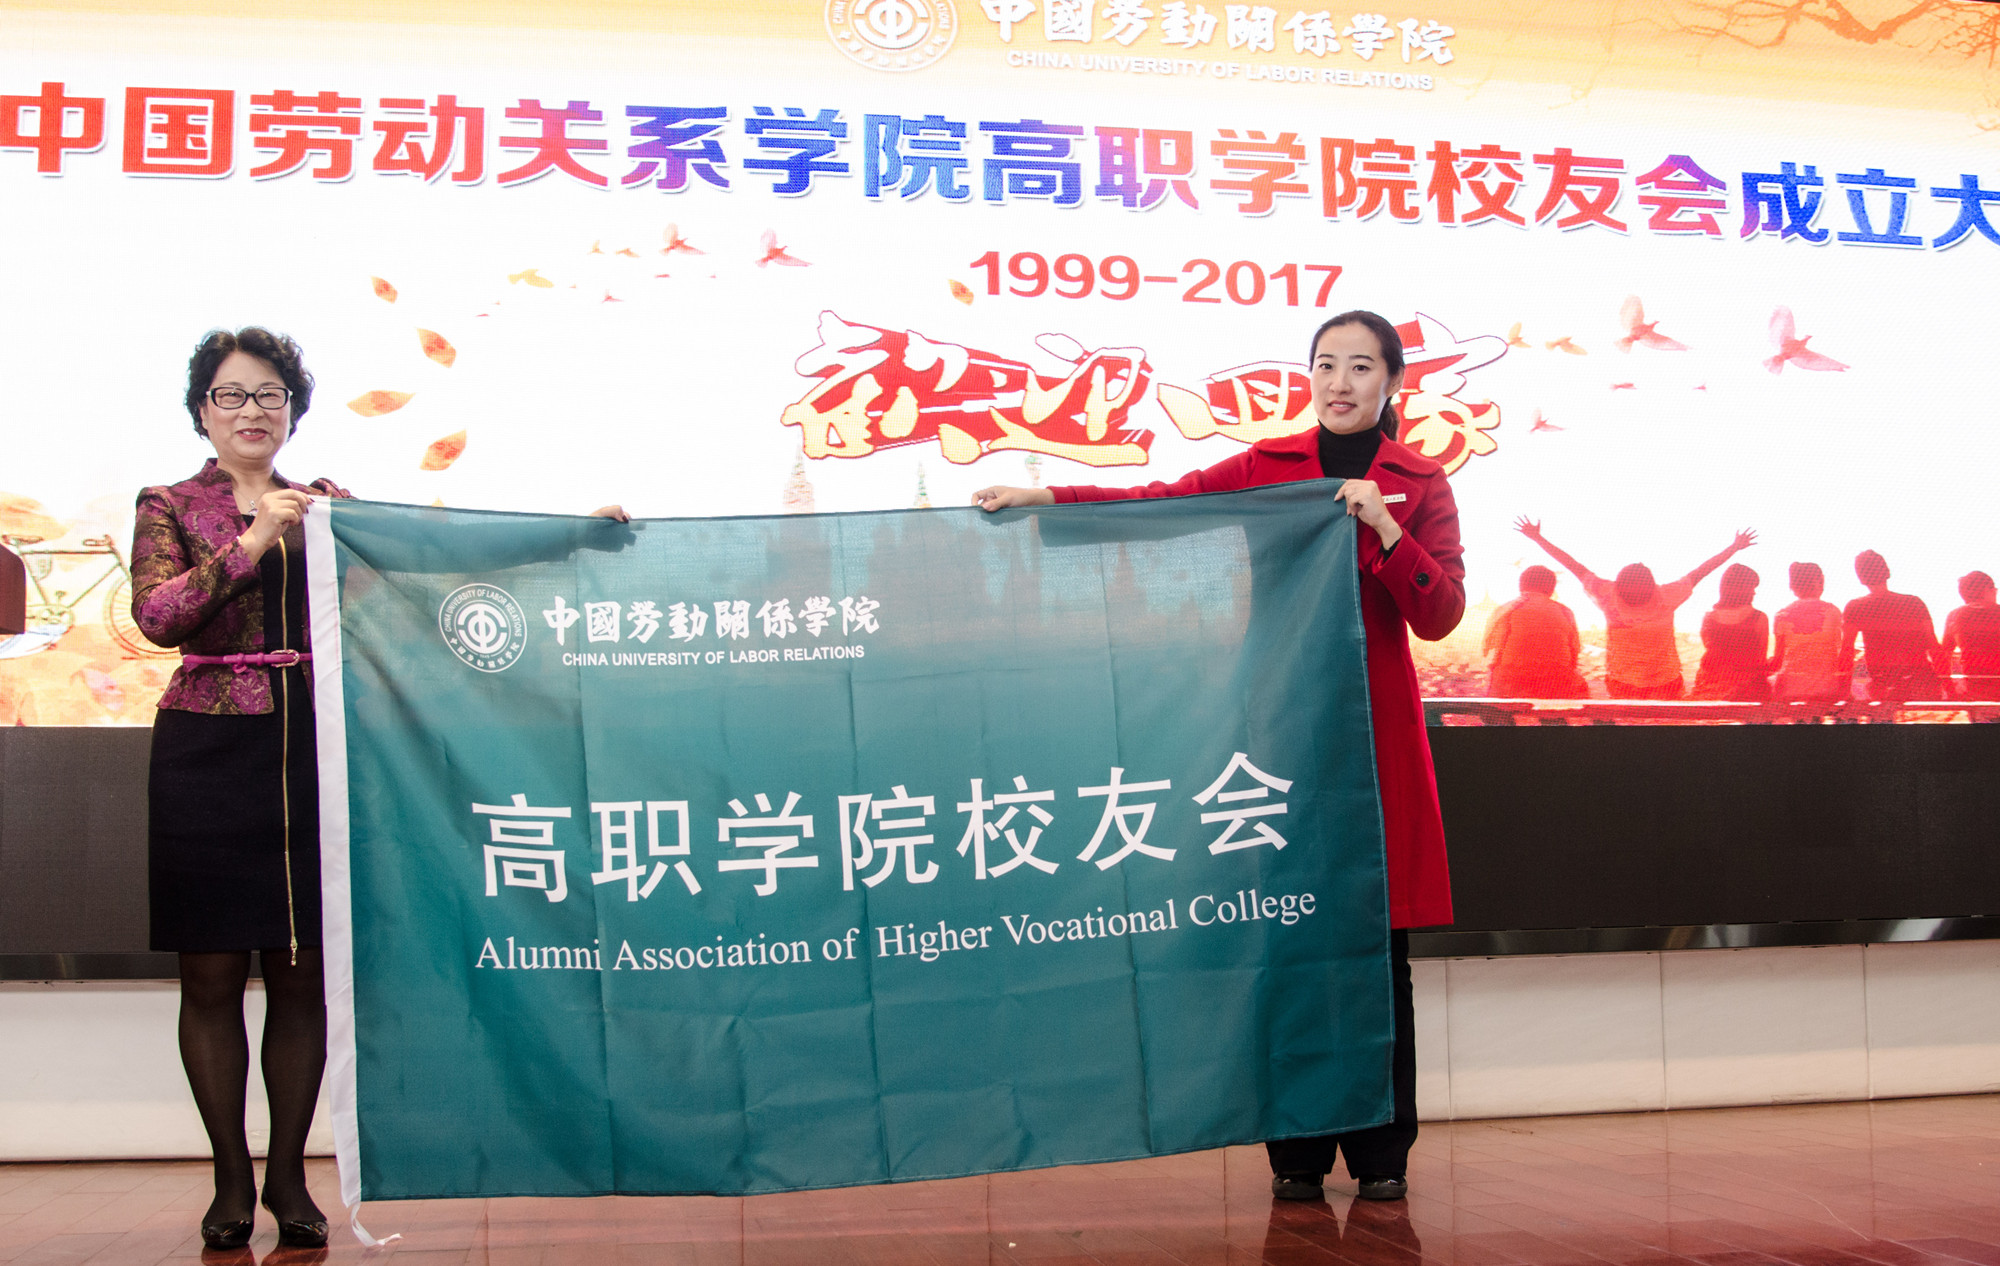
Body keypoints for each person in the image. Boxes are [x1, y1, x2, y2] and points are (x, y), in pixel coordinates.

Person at [134, 328, 623, 1250]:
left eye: (271, 394)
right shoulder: (168, 504)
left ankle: (287, 1177)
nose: (252, 411)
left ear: (293, 410)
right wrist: (255, 537)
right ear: (202, 410)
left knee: (302, 974)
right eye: (232, 395)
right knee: (211, 974)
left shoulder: (328, 505)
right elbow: (158, 616)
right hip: (207, 748)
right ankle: (230, 1180)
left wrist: (565, 534)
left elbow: (430, 549)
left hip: (316, 747)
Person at [974, 311, 1461, 1204]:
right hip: (1280, 727)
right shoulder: (1268, 466)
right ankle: (1296, 1151)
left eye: (1361, 367)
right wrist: (1048, 500)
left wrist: (1388, 531)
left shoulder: (1418, 482)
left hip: (1374, 737)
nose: (1340, 382)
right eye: (1326, 364)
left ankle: (1382, 1151)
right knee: (1288, 939)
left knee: (1376, 955)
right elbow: (1165, 503)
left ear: (1393, 383)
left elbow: (1441, 614)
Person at [1514, 519, 1756, 700]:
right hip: (1662, 681)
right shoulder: (1666, 596)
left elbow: (1572, 565)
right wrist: (1734, 547)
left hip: (1625, 682)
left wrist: (1538, 538)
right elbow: (1702, 571)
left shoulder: (1608, 595)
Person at [1838, 550, 1943, 703]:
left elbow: (1846, 651)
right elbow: (1934, 647)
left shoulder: (1856, 607)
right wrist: (1948, 686)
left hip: (1884, 684)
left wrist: (1844, 691)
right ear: (1887, 572)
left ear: (1860, 578)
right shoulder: (1914, 603)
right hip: (1922, 681)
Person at [1482, 565, 1585, 697]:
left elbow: (1489, 651)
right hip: (1556, 685)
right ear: (1551, 589)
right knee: (1570, 682)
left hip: (1513, 685)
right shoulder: (1565, 612)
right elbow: (1574, 654)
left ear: (1521, 586)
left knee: (1497, 679)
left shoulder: (1506, 610)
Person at [1691, 564, 1772, 701]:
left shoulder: (1709, 618)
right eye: (1752, 588)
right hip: (1744, 688)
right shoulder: (1758, 617)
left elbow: (1711, 651)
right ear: (1742, 589)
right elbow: (1761, 659)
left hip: (1710, 684)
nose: (1754, 593)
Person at [1770, 562, 1844, 703]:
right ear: (1819, 582)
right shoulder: (1832, 611)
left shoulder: (1782, 615)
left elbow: (1778, 660)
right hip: (1826, 687)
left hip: (1791, 688)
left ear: (1793, 586)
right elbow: (1839, 652)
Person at [1939, 570, 2000, 700]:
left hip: (1975, 685)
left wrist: (1950, 688)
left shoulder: (1955, 616)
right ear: (1989, 590)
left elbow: (1943, 655)